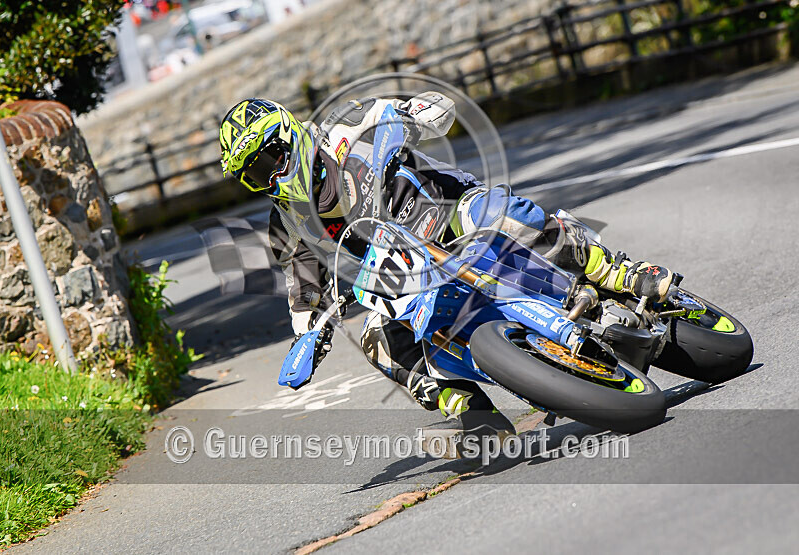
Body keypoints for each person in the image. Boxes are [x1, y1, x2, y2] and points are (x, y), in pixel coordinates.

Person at [218, 95, 674, 437]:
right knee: (378, 338)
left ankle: (618, 272)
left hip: (446, 211)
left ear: (288, 136)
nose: (271, 176)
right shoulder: (287, 221)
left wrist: (421, 111)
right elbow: (303, 285)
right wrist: (307, 335)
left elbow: (400, 110)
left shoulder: (344, 126)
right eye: (254, 175)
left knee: (498, 214)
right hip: (401, 271)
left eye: (270, 160)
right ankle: (471, 414)